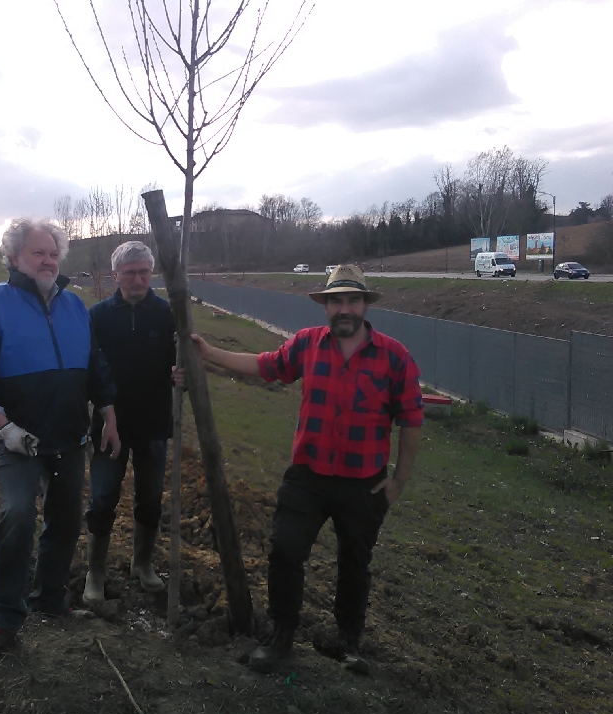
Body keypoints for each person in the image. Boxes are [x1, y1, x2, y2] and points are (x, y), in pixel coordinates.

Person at [190, 265, 423, 674]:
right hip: (308, 477)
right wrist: (209, 353)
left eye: (352, 300)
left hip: (364, 485)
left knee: (355, 564)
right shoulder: (307, 345)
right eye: (336, 301)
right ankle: (281, 636)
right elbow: (265, 365)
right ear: (326, 307)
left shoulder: (395, 356)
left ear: (365, 305)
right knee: (285, 551)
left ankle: (349, 643)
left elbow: (411, 420)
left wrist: (398, 481)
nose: (344, 308)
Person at [0, 217, 120, 661]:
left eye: (53, 253)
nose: (48, 260)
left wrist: (108, 415)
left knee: (66, 520)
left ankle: (50, 597)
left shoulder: (74, 307)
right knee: (17, 517)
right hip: (19, 440)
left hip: (69, 436)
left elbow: (96, 368)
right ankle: (3, 617)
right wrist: (4, 427)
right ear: (13, 258)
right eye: (38, 253)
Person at [84, 241, 178, 602]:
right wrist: (103, 409)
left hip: (154, 422)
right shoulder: (100, 316)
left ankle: (142, 564)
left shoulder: (168, 314)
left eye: (143, 272)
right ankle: (95, 572)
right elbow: (93, 367)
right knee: (104, 496)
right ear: (115, 275)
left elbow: (178, 360)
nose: (138, 279)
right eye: (130, 273)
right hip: (110, 423)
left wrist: (180, 374)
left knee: (151, 497)